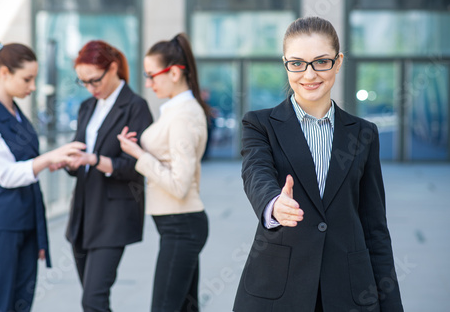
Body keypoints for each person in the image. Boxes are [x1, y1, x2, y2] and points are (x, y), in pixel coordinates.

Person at [233, 17, 404, 312]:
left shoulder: (363, 133)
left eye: (321, 62)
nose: (309, 74)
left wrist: (391, 305)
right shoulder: (259, 124)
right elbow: (256, 172)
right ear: (285, 64)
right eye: (297, 63)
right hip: (278, 288)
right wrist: (273, 204)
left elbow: (374, 225)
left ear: (338, 63)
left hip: (349, 289)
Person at [0, 42, 85, 312]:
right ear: (5, 73)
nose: (32, 87)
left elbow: (26, 166)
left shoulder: (17, 114)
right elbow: (7, 174)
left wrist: (48, 163)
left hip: (26, 224)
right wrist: (48, 158)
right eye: (27, 79)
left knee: (21, 306)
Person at [118, 33, 209, 312]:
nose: (148, 83)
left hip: (181, 225)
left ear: (174, 72)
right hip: (179, 224)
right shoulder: (175, 111)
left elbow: (179, 184)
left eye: (151, 75)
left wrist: (139, 155)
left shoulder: (182, 115)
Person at [62, 40, 153, 312]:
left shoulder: (136, 107)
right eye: (83, 82)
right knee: (93, 299)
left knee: (93, 299)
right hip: (82, 212)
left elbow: (136, 166)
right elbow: (78, 151)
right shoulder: (87, 107)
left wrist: (94, 159)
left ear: (113, 68)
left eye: (95, 80)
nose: (90, 88)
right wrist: (68, 161)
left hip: (113, 215)